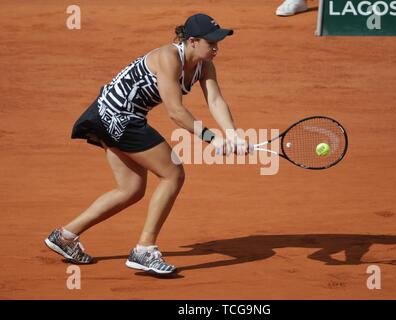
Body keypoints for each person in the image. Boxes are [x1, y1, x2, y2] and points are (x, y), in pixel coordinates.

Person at [44, 13, 250, 275]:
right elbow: (175, 111)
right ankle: (144, 250)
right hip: (117, 116)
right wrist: (211, 138)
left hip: (109, 115)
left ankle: (65, 235)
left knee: (131, 188)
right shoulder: (168, 57)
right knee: (173, 173)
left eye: (218, 42)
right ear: (193, 41)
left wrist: (232, 134)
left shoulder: (204, 65)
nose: (216, 47)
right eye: (211, 42)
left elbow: (216, 100)